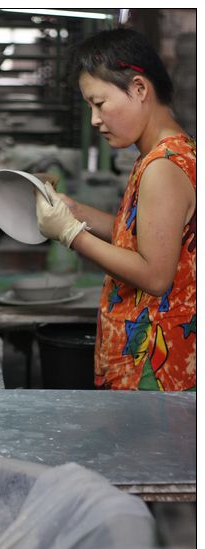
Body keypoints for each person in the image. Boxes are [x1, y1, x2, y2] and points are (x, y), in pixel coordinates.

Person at [35, 28, 196, 391]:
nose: (94, 119)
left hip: (154, 367)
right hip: (145, 356)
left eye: (100, 103)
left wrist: (71, 234)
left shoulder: (163, 166)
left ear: (139, 89)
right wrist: (74, 210)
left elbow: (154, 275)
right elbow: (141, 236)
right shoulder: (164, 153)